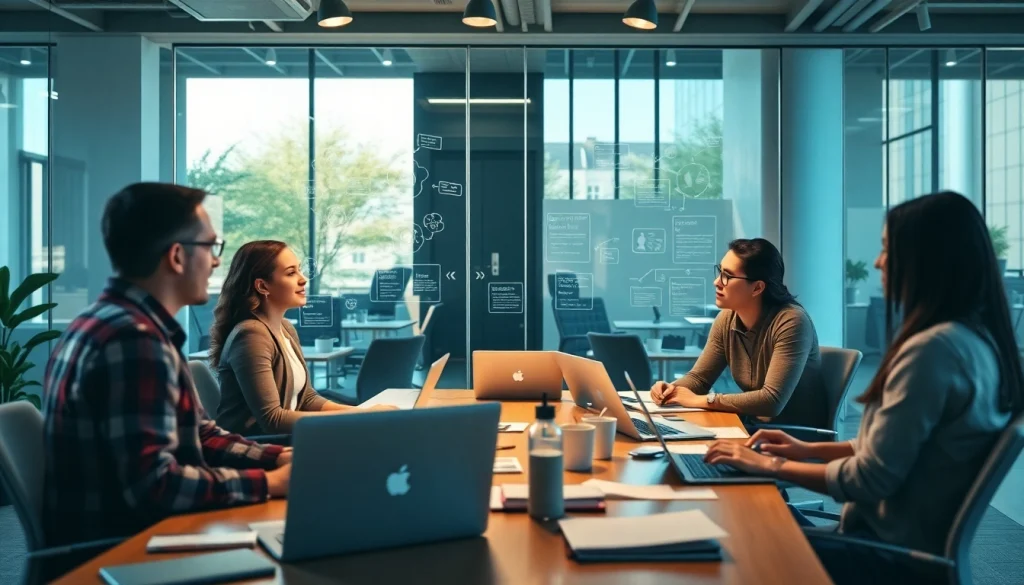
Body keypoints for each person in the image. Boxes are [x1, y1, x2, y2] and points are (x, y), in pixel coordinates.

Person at [702, 192, 1024, 584]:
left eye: (888, 249)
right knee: (749, 512)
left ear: (928, 261)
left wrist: (768, 464)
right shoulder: (976, 343)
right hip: (889, 543)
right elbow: (896, 448)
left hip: (889, 556)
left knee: (729, 539)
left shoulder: (933, 352)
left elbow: (869, 479)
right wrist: (803, 449)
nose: (877, 262)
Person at [42, 183, 292, 547]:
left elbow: (201, 434)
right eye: (210, 247)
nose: (217, 261)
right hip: (126, 555)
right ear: (176, 256)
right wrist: (268, 482)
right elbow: (154, 487)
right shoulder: (134, 341)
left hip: (141, 541)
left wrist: (279, 456)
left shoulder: (106, 322)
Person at [650, 238, 828, 428]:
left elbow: (772, 401)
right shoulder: (726, 319)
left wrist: (703, 401)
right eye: (720, 272)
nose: (717, 282)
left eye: (728, 276)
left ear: (757, 287)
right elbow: (699, 378)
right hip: (751, 426)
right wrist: (672, 389)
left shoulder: (791, 322)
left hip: (792, 437)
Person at [211, 241, 367, 436]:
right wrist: (358, 418)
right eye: (291, 273)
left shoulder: (285, 328)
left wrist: (362, 413)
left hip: (284, 438)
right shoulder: (251, 335)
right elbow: (272, 420)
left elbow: (307, 399)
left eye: (299, 270)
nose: (303, 280)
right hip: (254, 446)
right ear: (262, 286)